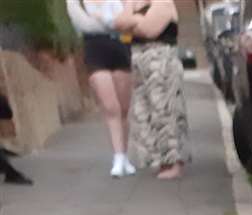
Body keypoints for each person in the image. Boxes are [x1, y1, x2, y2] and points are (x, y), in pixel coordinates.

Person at [116, 0, 189, 180]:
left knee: (165, 111)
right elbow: (118, 24)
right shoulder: (133, 3)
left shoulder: (163, 2)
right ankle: (161, 160)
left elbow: (149, 30)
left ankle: (174, 162)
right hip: (140, 61)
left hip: (161, 60)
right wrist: (135, 18)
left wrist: (131, 22)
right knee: (145, 112)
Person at [65, 0, 136, 177]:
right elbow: (85, 25)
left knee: (123, 109)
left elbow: (128, 22)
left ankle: (125, 155)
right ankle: (118, 157)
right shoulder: (76, 2)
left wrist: (104, 19)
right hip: (95, 52)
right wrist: (114, 22)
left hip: (121, 50)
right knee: (111, 107)